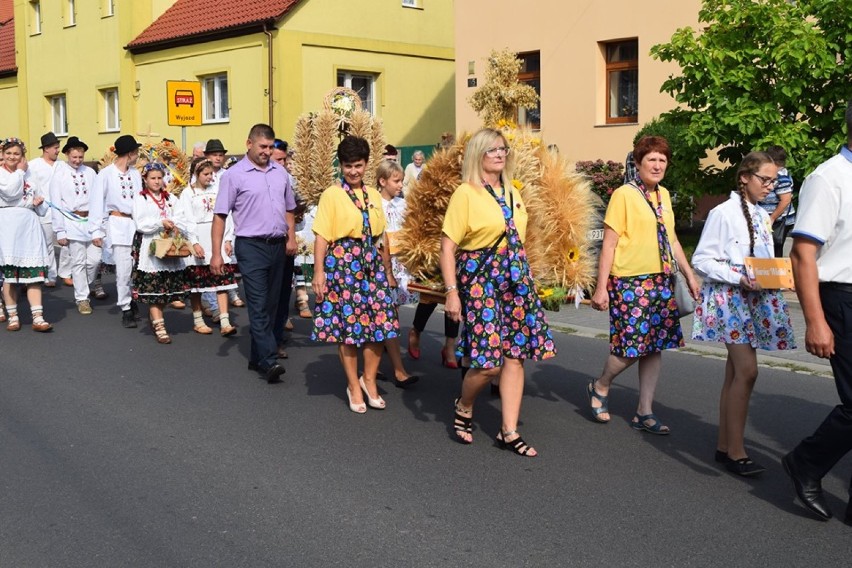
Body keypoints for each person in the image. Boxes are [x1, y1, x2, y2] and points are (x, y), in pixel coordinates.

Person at [441, 128, 556, 456]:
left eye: (503, 149)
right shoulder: (465, 193)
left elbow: (517, 239)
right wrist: (452, 292)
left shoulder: (511, 192)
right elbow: (447, 247)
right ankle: (464, 404)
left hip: (516, 279)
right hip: (481, 280)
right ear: (478, 154)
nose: (500, 154)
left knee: (514, 357)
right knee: (488, 363)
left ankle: (509, 430)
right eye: (492, 150)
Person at [692, 151, 796, 477]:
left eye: (774, 181)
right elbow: (702, 260)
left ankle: (725, 446)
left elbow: (762, 260)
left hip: (753, 300)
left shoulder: (763, 216)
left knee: (734, 373)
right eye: (764, 180)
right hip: (728, 298)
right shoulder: (723, 213)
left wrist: (778, 277)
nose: (770, 186)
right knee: (748, 371)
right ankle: (737, 452)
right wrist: (738, 277)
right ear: (744, 177)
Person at [588, 136, 700, 434]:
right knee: (630, 347)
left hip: (661, 280)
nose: (658, 165)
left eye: (662, 160)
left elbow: (673, 238)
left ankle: (644, 411)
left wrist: (689, 275)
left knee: (655, 347)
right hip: (629, 281)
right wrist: (601, 288)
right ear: (638, 163)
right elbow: (609, 245)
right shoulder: (624, 194)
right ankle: (601, 384)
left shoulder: (663, 195)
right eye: (651, 159)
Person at [783, 101, 852, 524]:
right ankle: (806, 462)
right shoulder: (828, 178)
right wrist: (815, 321)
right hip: (842, 298)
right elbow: (803, 254)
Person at [311, 136, 400, 413]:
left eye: (358, 165)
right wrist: (319, 272)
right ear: (341, 165)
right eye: (348, 166)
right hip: (342, 264)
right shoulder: (332, 195)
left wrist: (388, 271)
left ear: (366, 165)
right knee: (349, 329)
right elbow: (322, 237)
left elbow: (381, 236)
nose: (353, 171)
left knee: (380, 325)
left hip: (371, 265)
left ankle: (369, 380)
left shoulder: (373, 195)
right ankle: (353, 385)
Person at [211, 124, 293, 384]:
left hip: (277, 245)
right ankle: (269, 361)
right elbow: (220, 216)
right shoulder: (233, 176)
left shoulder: (280, 173)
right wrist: (216, 254)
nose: (267, 152)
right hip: (250, 246)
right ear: (249, 144)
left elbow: (290, 208)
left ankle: (257, 357)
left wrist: (291, 237)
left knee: (272, 303)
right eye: (263, 147)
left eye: (271, 147)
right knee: (257, 304)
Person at [131, 163, 192, 344]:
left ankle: (156, 317)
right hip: (150, 246)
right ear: (145, 180)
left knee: (166, 287)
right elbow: (141, 223)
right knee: (154, 287)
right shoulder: (140, 199)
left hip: (170, 246)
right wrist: (160, 222)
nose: (157, 182)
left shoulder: (171, 198)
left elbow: (182, 217)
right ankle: (159, 325)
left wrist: (173, 223)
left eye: (159, 178)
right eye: (153, 178)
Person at [89, 134, 143, 328]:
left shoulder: (135, 174)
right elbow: (96, 203)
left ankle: (132, 299)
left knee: (135, 269)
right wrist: (96, 231)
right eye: (136, 152)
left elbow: (140, 201)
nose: (138, 156)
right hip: (118, 224)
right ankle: (126, 308)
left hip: (135, 226)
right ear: (129, 153)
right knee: (123, 270)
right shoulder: (106, 174)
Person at [180, 158, 238, 336]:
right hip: (199, 237)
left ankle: (225, 321)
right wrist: (194, 242)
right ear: (196, 174)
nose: (209, 177)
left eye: (211, 173)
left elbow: (226, 215)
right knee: (198, 284)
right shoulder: (188, 193)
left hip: (217, 238)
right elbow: (186, 219)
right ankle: (198, 320)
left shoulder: (218, 190)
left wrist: (228, 239)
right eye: (205, 174)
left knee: (221, 281)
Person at [0, 137, 53, 332]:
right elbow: (11, 192)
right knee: (10, 276)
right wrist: (21, 171)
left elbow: (40, 201)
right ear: (3, 155)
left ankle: (38, 316)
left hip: (29, 227)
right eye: (8, 154)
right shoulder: (2, 174)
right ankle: (13, 315)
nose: (12, 157)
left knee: (33, 275)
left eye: (16, 154)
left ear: (22, 155)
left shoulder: (30, 175)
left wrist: (39, 203)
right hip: (8, 227)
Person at [376, 158, 420, 388]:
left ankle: (373, 363)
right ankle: (398, 369)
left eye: (402, 181)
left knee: (391, 311)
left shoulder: (401, 204)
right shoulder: (375, 205)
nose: (400, 185)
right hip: (383, 264)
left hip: (400, 263)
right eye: (396, 181)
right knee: (388, 316)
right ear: (382, 181)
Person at [49, 136, 103, 315]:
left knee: (94, 260)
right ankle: (82, 298)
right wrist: (60, 230)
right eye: (74, 157)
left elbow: (98, 199)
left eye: (80, 157)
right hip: (71, 221)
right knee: (78, 261)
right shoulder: (60, 174)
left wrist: (101, 223)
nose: (78, 160)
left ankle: (85, 285)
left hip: (90, 221)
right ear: (67, 155)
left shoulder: (90, 173)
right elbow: (56, 203)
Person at [28, 132, 70, 287]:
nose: (58, 151)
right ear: (46, 149)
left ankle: (65, 272)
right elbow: (29, 186)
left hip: (62, 210)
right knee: (46, 244)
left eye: (58, 148)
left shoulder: (63, 165)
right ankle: (51, 275)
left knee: (66, 242)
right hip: (43, 210)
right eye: (55, 148)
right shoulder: (33, 165)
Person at [270, 139, 299, 356]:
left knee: (282, 293)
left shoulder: (288, 178)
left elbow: (292, 209)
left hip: (284, 239)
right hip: (262, 242)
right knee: (265, 295)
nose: (283, 163)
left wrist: (292, 238)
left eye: (284, 159)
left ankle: (276, 337)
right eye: (278, 159)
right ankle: (265, 338)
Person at [758, 145, 796, 258]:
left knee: (774, 250)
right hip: (772, 219)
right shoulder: (778, 174)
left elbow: (785, 200)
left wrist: (772, 218)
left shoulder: (781, 177)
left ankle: (775, 274)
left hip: (778, 220)